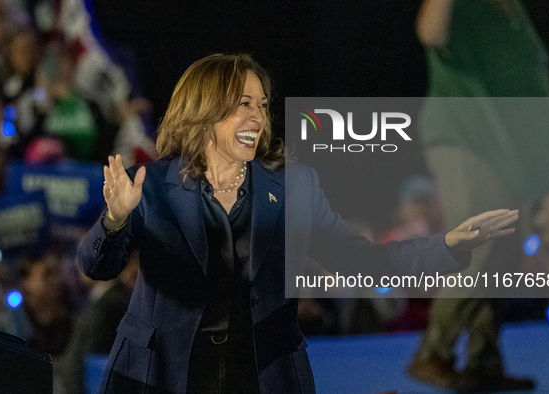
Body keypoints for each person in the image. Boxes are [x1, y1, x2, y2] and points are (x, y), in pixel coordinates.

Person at [78, 53, 519, 394]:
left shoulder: (296, 186)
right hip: (161, 374)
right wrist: (115, 219)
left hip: (262, 373)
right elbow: (96, 267)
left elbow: (362, 261)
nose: (259, 117)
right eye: (243, 104)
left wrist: (448, 244)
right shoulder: (150, 184)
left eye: (263, 106)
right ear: (205, 108)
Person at [408, 0, 549, 392]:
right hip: (467, 140)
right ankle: (433, 353)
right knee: (482, 248)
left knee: (506, 252)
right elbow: (430, 34)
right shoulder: (464, 8)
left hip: (508, 150)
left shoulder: (514, 12)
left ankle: (483, 362)